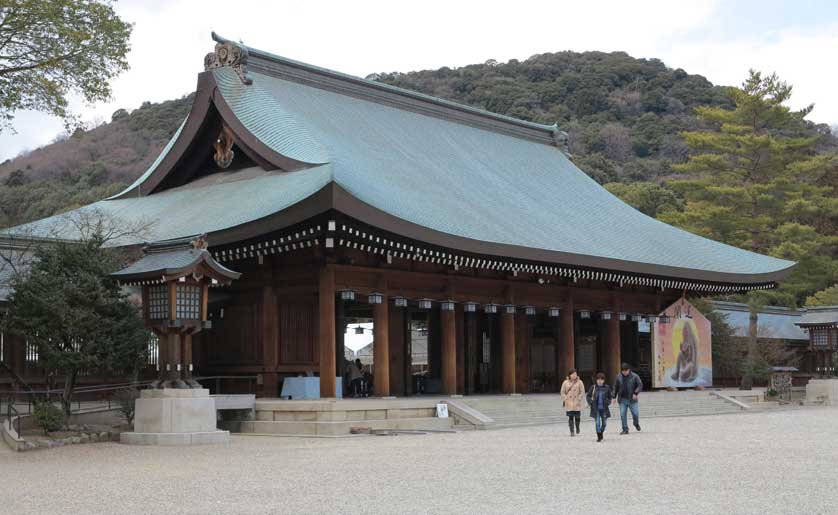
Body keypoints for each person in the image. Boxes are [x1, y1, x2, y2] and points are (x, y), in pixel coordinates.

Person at [613, 362, 642, 435]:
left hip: (632, 399)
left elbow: (640, 385)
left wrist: (636, 393)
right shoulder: (618, 377)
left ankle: (636, 423)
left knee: (635, 414)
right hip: (622, 399)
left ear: (629, 370)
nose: (625, 372)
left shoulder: (635, 376)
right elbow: (615, 387)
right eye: (623, 371)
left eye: (626, 371)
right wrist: (613, 397)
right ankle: (625, 429)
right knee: (622, 414)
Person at [586, 372, 612, 442]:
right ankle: (599, 436)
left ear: (604, 380)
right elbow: (588, 396)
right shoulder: (593, 387)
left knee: (604, 424)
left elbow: (610, 396)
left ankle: (601, 432)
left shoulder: (607, 387)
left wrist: (608, 402)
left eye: (601, 379)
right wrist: (590, 402)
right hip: (595, 408)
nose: (600, 381)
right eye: (598, 379)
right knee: (597, 423)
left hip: (604, 409)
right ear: (596, 380)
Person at [560, 369, 585, 437]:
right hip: (569, 402)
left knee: (577, 417)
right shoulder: (565, 382)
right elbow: (562, 392)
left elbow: (582, 391)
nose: (574, 375)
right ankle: (572, 431)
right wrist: (565, 398)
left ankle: (577, 427)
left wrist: (579, 398)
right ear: (569, 375)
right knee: (570, 417)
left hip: (577, 402)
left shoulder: (580, 382)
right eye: (573, 374)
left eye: (575, 374)